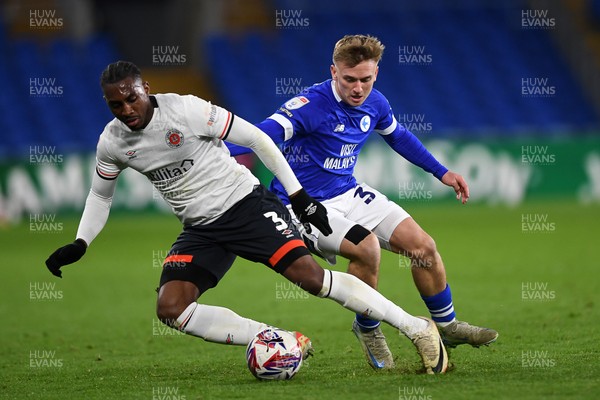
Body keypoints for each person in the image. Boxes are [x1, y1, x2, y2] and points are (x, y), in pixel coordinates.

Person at [45, 61, 448, 374]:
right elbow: (100, 196)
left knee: (311, 279)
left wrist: (299, 196)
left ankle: (416, 327)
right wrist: (81, 242)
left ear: (144, 88)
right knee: (171, 309)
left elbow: (257, 137)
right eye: (116, 104)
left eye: (131, 98)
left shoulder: (186, 110)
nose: (127, 109)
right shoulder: (112, 142)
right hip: (201, 228)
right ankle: (278, 339)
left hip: (246, 206)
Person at [227, 35, 498, 370]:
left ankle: (446, 327)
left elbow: (398, 136)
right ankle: (369, 329)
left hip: (349, 191)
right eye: (349, 79)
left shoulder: (377, 103)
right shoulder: (310, 106)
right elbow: (260, 135)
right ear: (333, 72)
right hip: (305, 206)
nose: (358, 88)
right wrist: (214, 151)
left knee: (423, 247)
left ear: (376, 74)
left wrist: (440, 171)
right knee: (366, 248)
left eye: (365, 80)